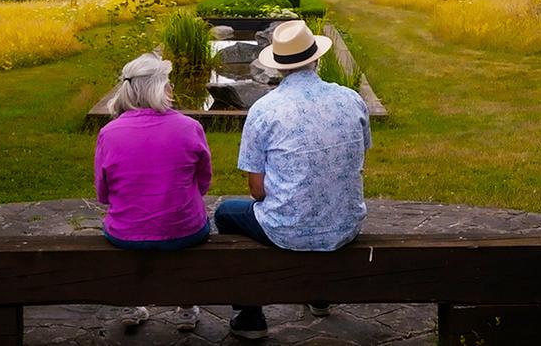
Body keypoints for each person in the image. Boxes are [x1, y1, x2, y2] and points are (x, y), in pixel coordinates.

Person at [214, 19, 372, 339]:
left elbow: (257, 192)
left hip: (288, 229)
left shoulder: (265, 109)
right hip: (345, 224)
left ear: (279, 67)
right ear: (316, 58)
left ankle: (250, 316)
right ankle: (320, 297)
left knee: (225, 214)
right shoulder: (351, 99)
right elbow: (357, 159)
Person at [94, 52, 212, 332]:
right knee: (193, 231)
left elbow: (103, 193)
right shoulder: (189, 127)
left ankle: (131, 304)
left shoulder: (109, 133)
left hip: (126, 232)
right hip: (185, 230)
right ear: (163, 88)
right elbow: (204, 182)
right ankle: (185, 307)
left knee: (132, 232)